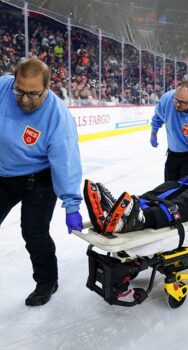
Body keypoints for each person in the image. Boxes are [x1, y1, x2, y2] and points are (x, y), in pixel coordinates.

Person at [0, 58, 83, 306]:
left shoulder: (58, 118)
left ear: (48, 87)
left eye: (33, 94)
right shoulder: (3, 88)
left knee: (34, 232)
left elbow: (66, 163)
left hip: (39, 179)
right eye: (20, 91)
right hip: (4, 175)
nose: (24, 99)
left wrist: (71, 205)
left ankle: (47, 281)